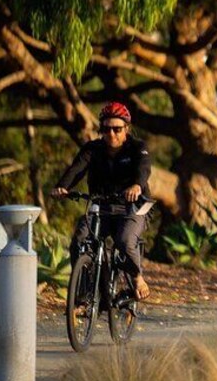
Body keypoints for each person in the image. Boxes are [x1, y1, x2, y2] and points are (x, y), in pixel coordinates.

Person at [51, 101, 152, 300]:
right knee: (79, 242)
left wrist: (137, 185)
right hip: (101, 206)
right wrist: (63, 186)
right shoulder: (93, 149)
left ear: (126, 129)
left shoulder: (137, 147)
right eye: (106, 129)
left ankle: (137, 277)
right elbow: (77, 168)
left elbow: (144, 168)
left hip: (134, 207)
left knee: (124, 241)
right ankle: (84, 295)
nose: (111, 134)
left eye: (117, 129)